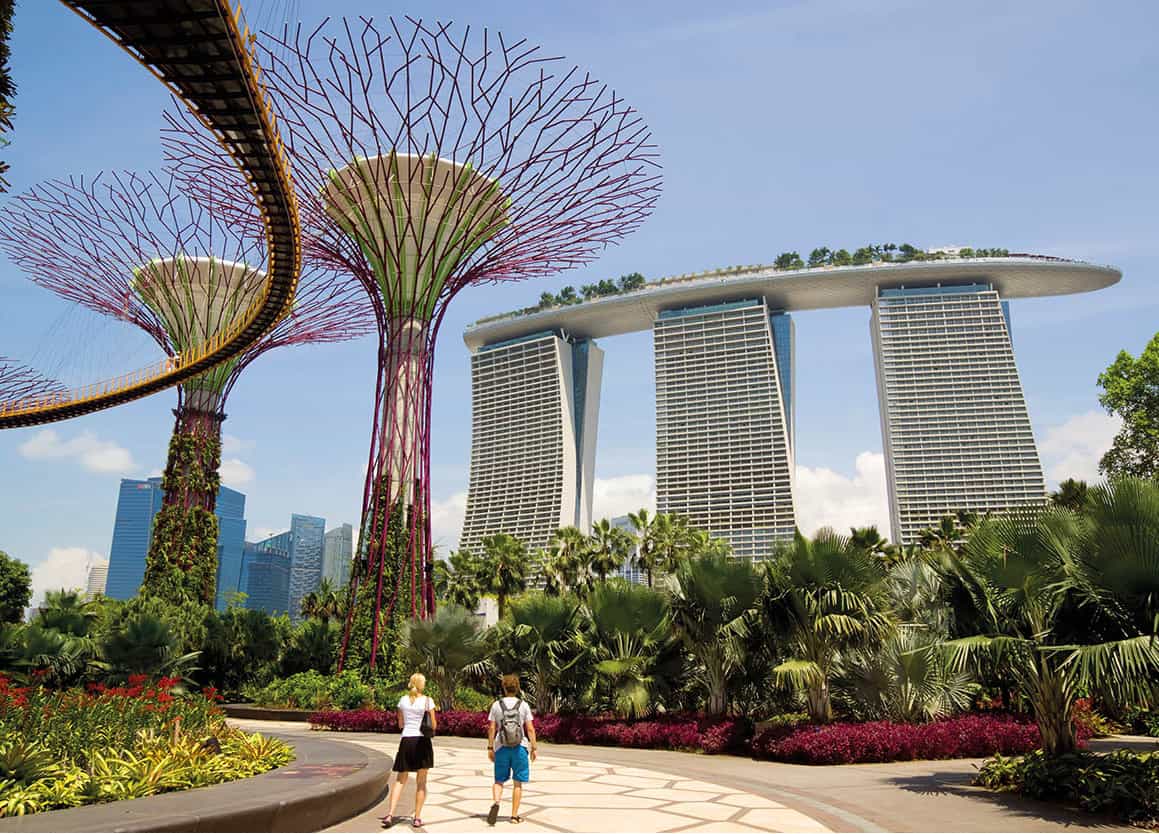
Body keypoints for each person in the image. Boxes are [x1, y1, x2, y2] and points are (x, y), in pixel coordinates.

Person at [382, 672, 437, 829]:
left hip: (406, 740)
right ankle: (417, 817)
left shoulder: (403, 700)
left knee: (400, 780)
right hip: (422, 741)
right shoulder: (428, 701)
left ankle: (390, 814)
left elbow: (400, 723)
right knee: (421, 782)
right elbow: (433, 725)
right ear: (422, 684)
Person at [486, 674, 537, 826]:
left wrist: (490, 747)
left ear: (504, 687)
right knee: (518, 783)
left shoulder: (496, 705)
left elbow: (492, 727)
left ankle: (496, 802)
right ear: (517, 687)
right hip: (519, 747)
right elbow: (530, 728)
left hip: (501, 746)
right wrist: (533, 747)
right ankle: (514, 816)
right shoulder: (524, 705)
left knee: (499, 780)